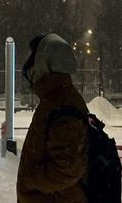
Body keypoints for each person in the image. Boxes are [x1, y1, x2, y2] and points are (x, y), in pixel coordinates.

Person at [17, 33, 89, 203]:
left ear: (45, 64)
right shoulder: (56, 99)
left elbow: (67, 169)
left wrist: (30, 179)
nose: (29, 67)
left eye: (32, 60)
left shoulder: (62, 104)